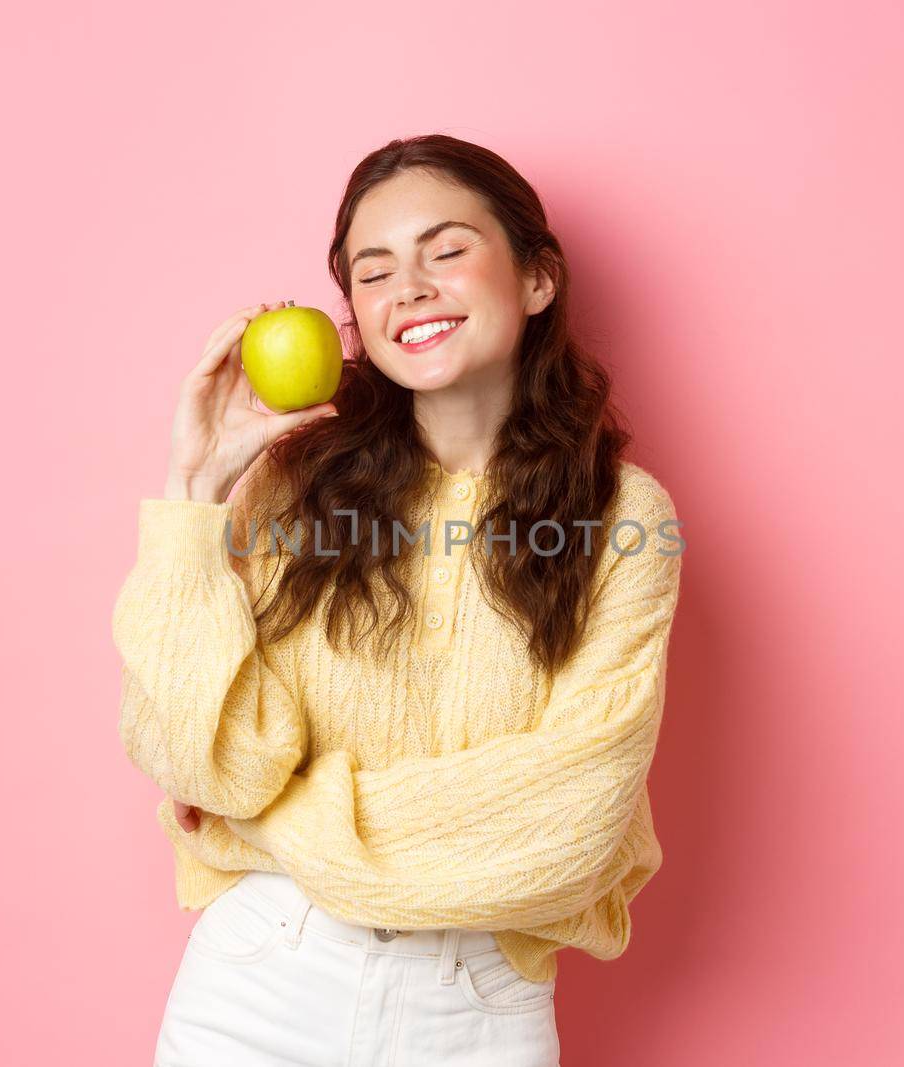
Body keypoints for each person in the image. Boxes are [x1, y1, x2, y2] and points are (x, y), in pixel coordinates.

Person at [112, 134, 686, 1066]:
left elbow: (570, 823)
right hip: (260, 982)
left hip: (477, 1008)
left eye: (447, 250)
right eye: (372, 273)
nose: (408, 289)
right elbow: (196, 754)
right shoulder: (293, 489)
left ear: (538, 278)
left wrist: (266, 820)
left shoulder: (621, 519)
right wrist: (193, 496)